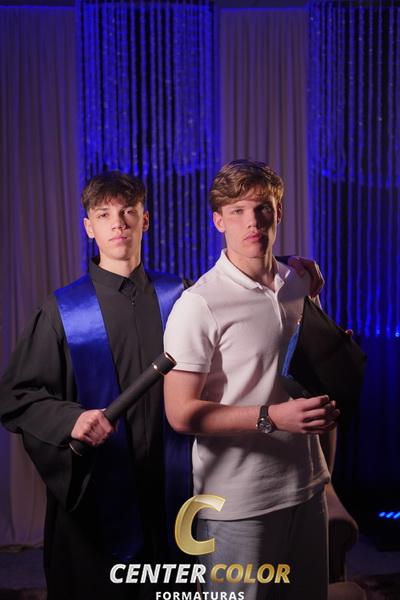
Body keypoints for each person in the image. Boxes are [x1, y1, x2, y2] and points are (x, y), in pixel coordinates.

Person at [1, 170, 324, 600]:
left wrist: (291, 267)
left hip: (175, 485)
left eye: (128, 212)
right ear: (89, 227)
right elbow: (16, 396)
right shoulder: (64, 312)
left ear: (145, 220)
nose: (118, 224)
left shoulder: (179, 294)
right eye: (104, 215)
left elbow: (240, 286)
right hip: (105, 488)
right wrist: (69, 420)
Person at [164, 160, 339, 600]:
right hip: (236, 504)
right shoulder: (198, 304)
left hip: (306, 487)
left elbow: (305, 373)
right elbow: (180, 413)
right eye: (237, 211)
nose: (253, 221)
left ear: (278, 212)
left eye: (262, 207)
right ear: (218, 221)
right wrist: (272, 417)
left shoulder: (298, 283)